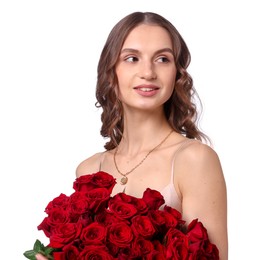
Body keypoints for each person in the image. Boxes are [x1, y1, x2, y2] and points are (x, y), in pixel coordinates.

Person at [36, 11, 228, 260]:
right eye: (132, 58)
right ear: (111, 70)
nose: (148, 72)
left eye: (162, 59)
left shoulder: (194, 160)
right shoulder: (89, 170)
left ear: (177, 73)